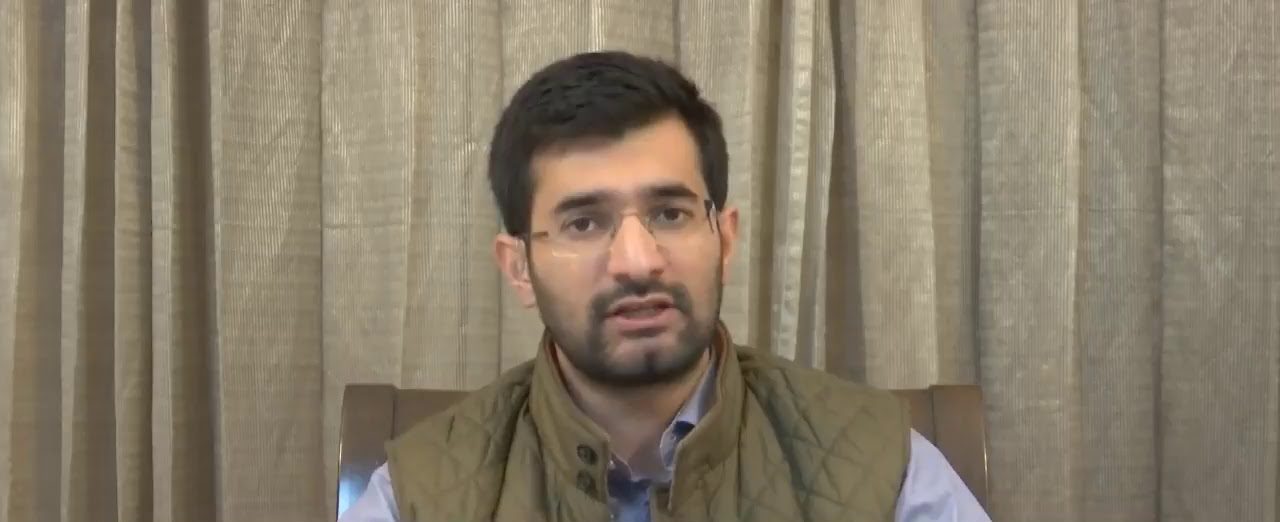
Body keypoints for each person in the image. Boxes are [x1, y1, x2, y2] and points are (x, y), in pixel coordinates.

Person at [339, 50, 990, 522]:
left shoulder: (884, 468)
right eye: (584, 222)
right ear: (518, 268)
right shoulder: (416, 496)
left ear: (724, 239)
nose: (636, 261)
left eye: (670, 214)